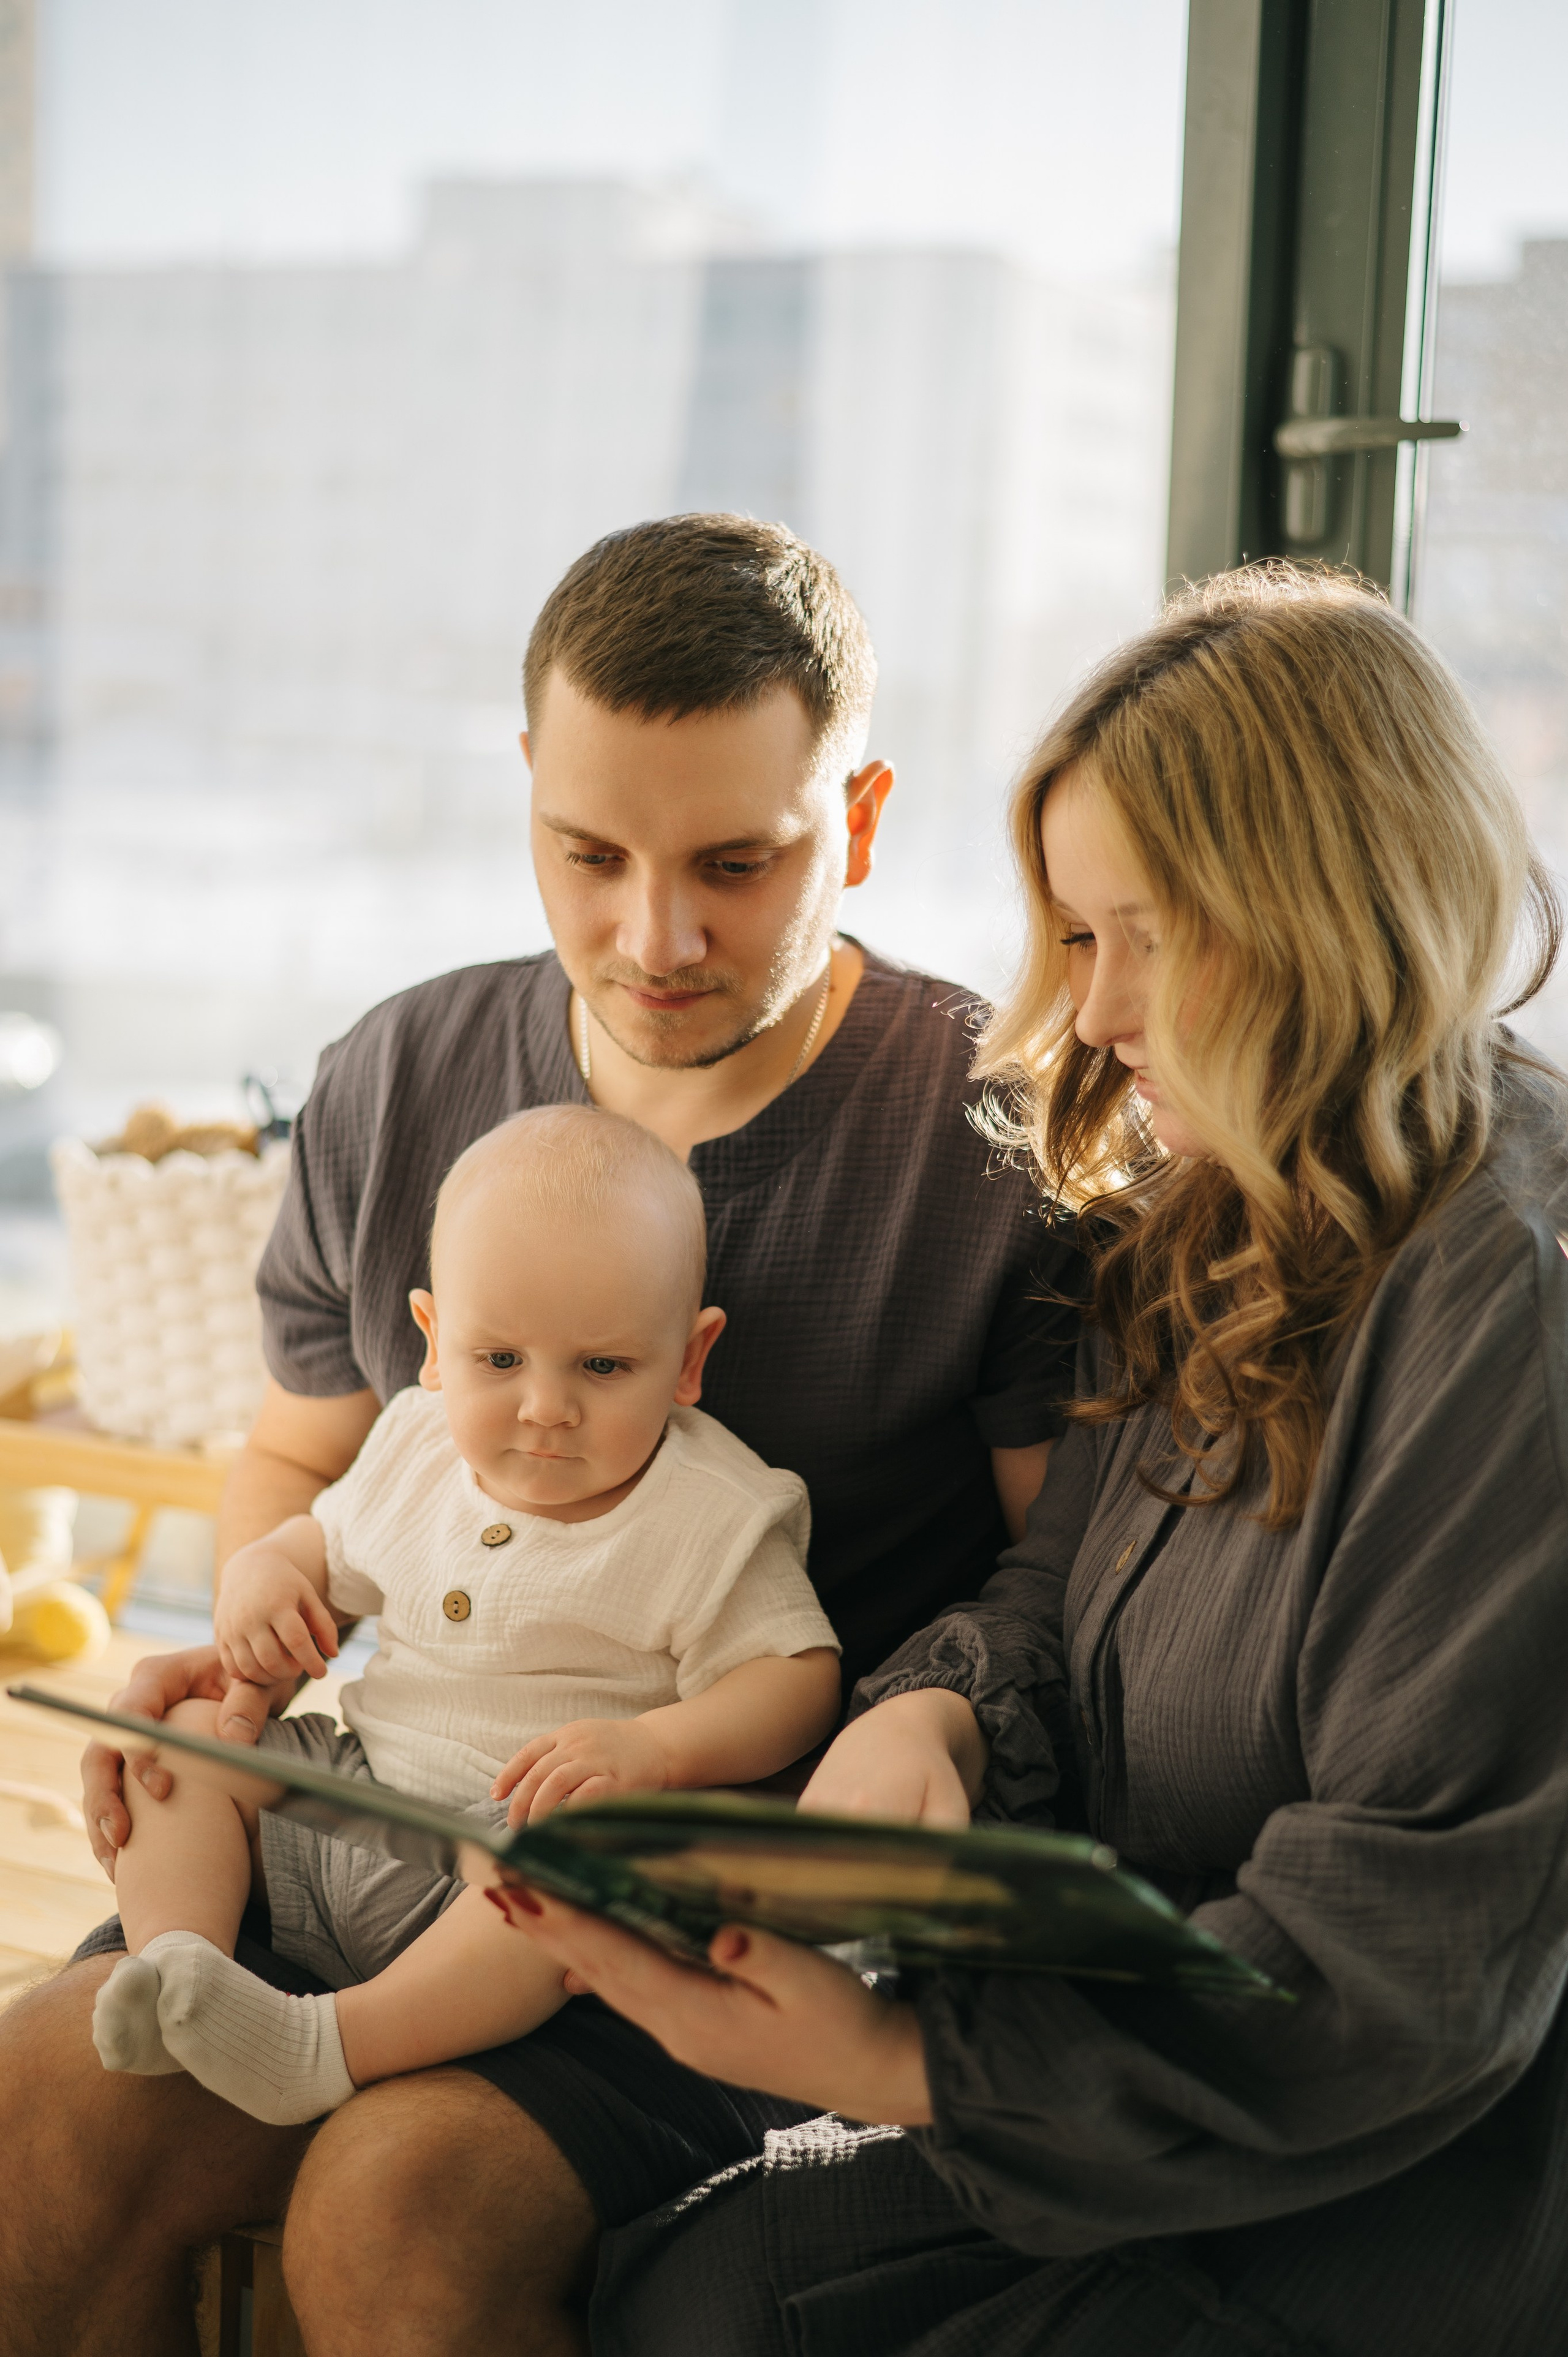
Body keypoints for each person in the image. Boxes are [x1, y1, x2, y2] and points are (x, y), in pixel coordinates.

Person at [0, 514, 1080, 2357]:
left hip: (710, 1898)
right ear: (526, 785)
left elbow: (1068, 1581)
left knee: (396, 2209)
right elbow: (302, 1465)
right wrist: (243, 1654)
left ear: (862, 815)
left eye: (738, 862)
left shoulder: (993, 1142)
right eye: (589, 853)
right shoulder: (395, 1078)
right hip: (377, 1806)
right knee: (39, 2116)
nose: (653, 937)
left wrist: (923, 1718)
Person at [496, 565, 1568, 2356]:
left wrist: (903, 2058)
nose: (1096, 1009)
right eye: (1076, 938)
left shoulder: (1506, 1304)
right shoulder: (1225, 1197)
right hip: (1132, 2081)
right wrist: (935, 1715)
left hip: (1389, 2186)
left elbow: (1410, 1962)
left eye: (1154, 936)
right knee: (682, 2296)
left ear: (1337, 916)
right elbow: (1061, 1584)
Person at [90, 1106, 840, 2127]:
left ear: (688, 1358)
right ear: (435, 1342)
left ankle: (324, 2047)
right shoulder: (415, 1444)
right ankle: (182, 1968)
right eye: (499, 1361)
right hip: (358, 1800)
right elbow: (326, 1549)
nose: (545, 1407)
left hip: (515, 1854)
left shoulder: (710, 1512)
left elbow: (797, 1677)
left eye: (603, 1367)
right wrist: (264, 1572)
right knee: (180, 1744)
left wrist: (655, 1750)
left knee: (592, 1861)